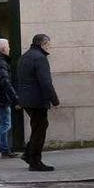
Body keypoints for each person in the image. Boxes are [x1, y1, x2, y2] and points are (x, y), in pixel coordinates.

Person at [17, 34, 60, 172]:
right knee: (39, 130)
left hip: (26, 100)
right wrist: (55, 100)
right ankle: (35, 161)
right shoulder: (40, 58)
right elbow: (46, 82)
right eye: (48, 43)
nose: (50, 46)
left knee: (38, 127)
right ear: (42, 44)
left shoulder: (25, 56)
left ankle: (28, 155)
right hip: (37, 100)